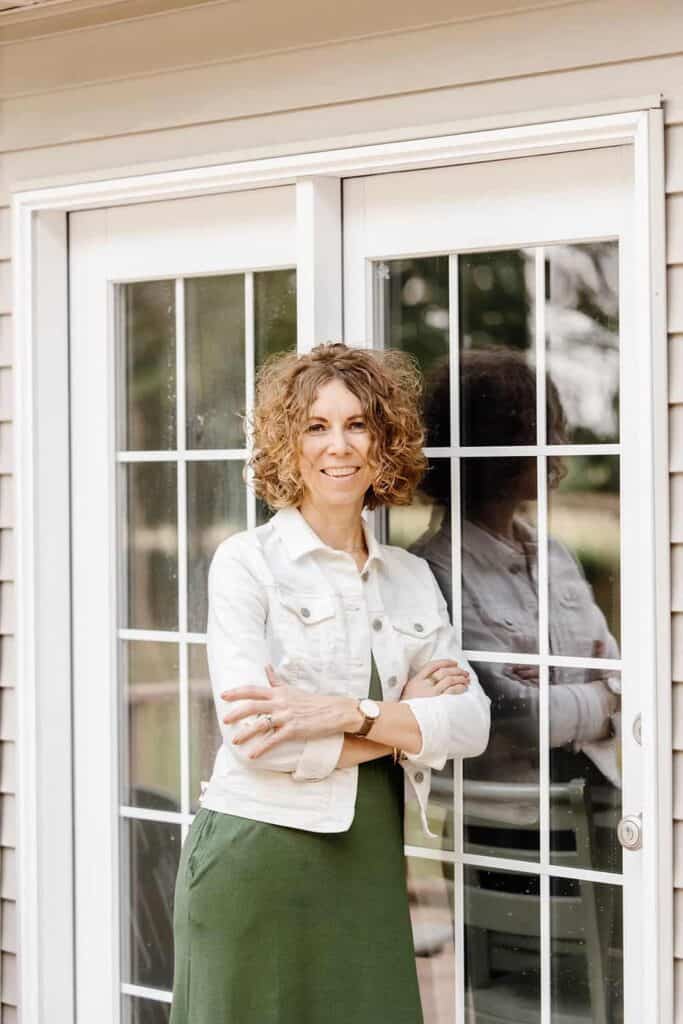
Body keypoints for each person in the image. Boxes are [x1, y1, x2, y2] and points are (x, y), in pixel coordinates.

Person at [169, 342, 491, 1024]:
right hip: (256, 858)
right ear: (288, 444)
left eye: (357, 425)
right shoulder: (246, 564)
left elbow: (469, 724)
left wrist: (346, 712)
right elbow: (256, 738)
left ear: (384, 441)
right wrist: (402, 724)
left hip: (367, 864)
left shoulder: (409, 578)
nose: (338, 446)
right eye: (316, 426)